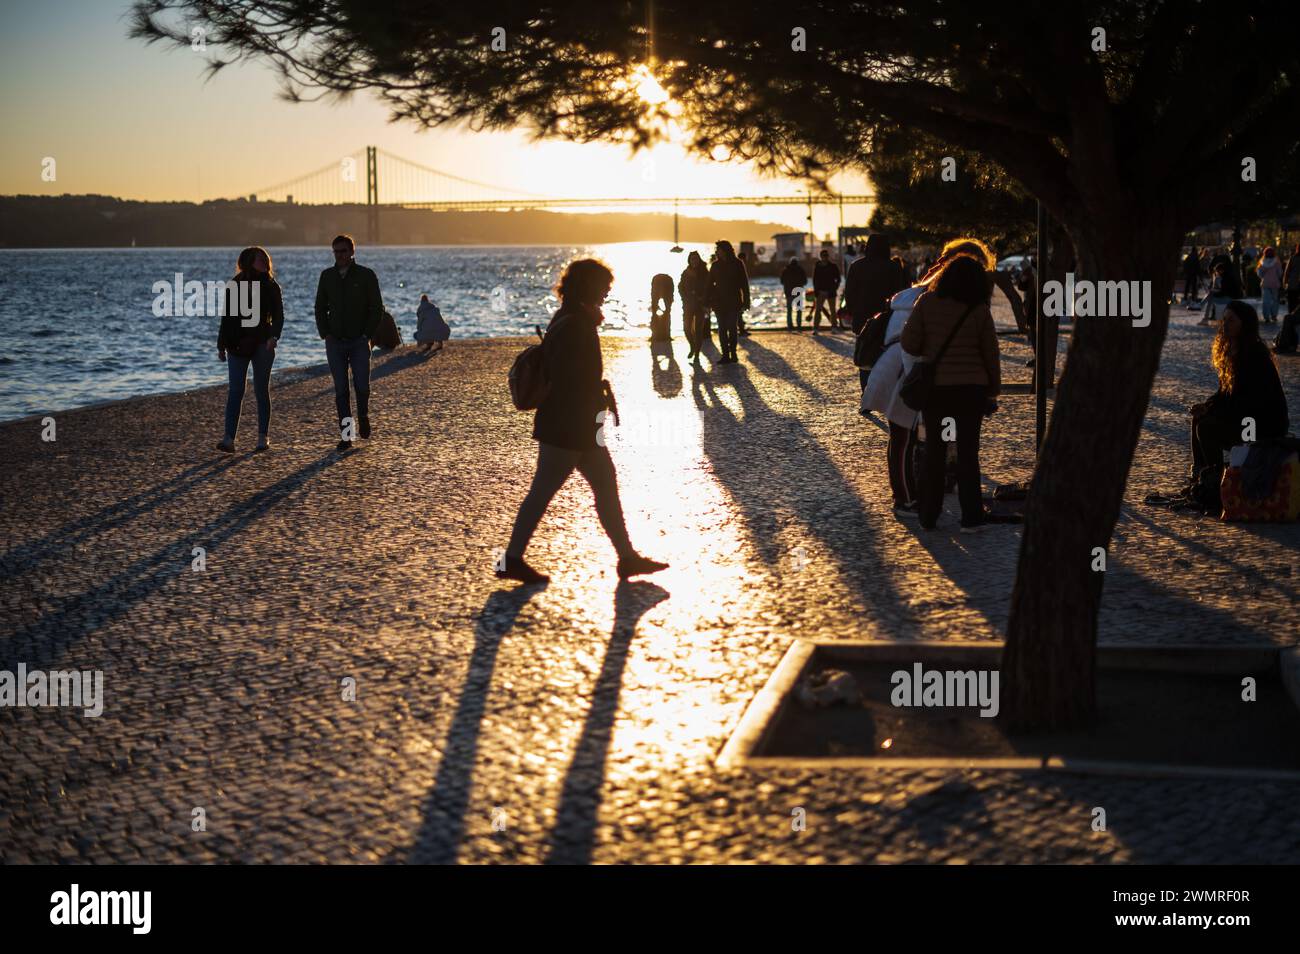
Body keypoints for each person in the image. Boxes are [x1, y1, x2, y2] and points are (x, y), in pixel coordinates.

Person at [496, 258, 669, 584]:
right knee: (545, 492)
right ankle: (511, 560)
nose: (607, 291)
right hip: (568, 427)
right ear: (589, 285)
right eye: (604, 285)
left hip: (575, 426)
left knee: (603, 487)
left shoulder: (572, 317)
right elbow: (570, 379)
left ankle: (627, 557)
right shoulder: (576, 323)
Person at [863, 239, 991, 514]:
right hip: (910, 369)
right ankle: (907, 499)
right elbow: (912, 341)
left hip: (906, 367)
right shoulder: (930, 295)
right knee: (906, 436)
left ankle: (918, 499)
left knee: (907, 436)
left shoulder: (921, 292)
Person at [900, 254, 1003, 533]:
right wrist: (992, 390)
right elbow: (990, 354)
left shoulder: (927, 303)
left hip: (938, 392)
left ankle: (928, 515)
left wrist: (930, 351)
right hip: (971, 392)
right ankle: (971, 518)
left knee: (936, 450)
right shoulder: (979, 310)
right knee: (968, 453)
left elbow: (909, 344)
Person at [1187, 299, 1289, 496]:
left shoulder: (1254, 354)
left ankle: (1217, 482)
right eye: (1224, 319)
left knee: (1207, 427)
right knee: (1199, 418)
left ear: (1244, 324)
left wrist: (1213, 410)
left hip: (1260, 426)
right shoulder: (1232, 350)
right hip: (1245, 417)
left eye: (1231, 320)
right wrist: (1207, 405)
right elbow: (1225, 392)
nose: (1224, 324)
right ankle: (1202, 474)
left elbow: (1248, 402)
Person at [315, 234, 384, 450]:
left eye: (343, 251)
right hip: (334, 342)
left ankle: (363, 414)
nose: (340, 255)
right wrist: (325, 332)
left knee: (362, 386)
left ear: (352, 251)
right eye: (336, 251)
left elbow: (377, 308)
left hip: (359, 341)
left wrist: (367, 334)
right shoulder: (327, 276)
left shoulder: (366, 275)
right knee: (341, 391)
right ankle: (347, 436)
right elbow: (319, 307)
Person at [216, 246, 284, 453]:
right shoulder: (235, 285)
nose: (264, 262)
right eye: (259, 259)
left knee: (261, 390)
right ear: (247, 262)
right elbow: (227, 318)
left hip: (264, 344)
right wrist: (221, 345)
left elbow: (279, 317)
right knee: (236, 391)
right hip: (237, 345)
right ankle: (229, 439)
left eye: (265, 259)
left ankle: (263, 437)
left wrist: (274, 336)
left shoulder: (272, 286)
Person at [844, 233, 909, 386]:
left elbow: (849, 293)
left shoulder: (857, 266)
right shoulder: (893, 267)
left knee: (866, 354)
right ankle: (882, 392)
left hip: (862, 317)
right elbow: (899, 292)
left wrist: (855, 312)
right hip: (887, 317)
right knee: (884, 354)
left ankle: (866, 394)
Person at [709, 240, 749, 364]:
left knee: (732, 327)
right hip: (719, 302)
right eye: (716, 249)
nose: (717, 251)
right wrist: (709, 301)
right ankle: (725, 354)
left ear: (725, 250)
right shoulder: (715, 265)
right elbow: (709, 284)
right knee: (722, 329)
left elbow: (744, 284)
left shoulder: (737, 263)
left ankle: (733, 353)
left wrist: (746, 301)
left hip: (734, 301)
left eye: (719, 249)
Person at [679, 251, 711, 362]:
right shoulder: (686, 272)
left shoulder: (705, 272)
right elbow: (680, 287)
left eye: (696, 259)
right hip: (688, 305)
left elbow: (709, 287)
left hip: (701, 306)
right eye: (692, 259)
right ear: (689, 260)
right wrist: (684, 298)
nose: (694, 261)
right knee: (686, 328)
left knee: (698, 330)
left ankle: (697, 354)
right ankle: (692, 346)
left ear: (699, 260)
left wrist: (704, 300)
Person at [1199, 258, 1242, 326]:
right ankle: (1203, 313)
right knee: (1211, 295)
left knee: (1211, 297)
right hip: (1228, 296)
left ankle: (1202, 311)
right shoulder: (1226, 276)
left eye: (1217, 271)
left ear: (1221, 270)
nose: (1217, 273)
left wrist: (1214, 293)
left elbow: (1223, 292)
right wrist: (1214, 292)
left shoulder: (1226, 278)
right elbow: (1222, 291)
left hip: (1229, 298)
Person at [811, 249, 842, 332]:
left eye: (826, 255)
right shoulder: (817, 266)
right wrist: (816, 290)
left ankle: (834, 327)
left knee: (833, 310)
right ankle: (816, 328)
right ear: (820, 256)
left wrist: (835, 288)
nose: (825, 257)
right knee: (818, 310)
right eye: (823, 255)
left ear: (828, 256)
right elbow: (814, 279)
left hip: (831, 292)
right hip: (820, 291)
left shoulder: (833, 266)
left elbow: (838, 279)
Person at [1256, 247, 1283, 324]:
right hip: (1275, 284)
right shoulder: (1277, 262)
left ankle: (1266, 317)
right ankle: (1274, 315)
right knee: (1275, 301)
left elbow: (1259, 274)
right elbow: (1280, 273)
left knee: (1266, 301)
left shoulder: (1262, 262)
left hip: (1265, 284)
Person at [780, 257, 807, 330]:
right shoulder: (800, 270)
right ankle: (799, 326)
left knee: (789, 310)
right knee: (799, 310)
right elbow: (805, 281)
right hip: (798, 291)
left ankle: (790, 326)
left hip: (788, 292)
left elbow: (782, 281)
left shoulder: (785, 270)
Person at [650, 273, 675, 341]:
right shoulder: (664, 280)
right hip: (663, 283)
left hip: (665, 284)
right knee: (662, 312)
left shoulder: (666, 280)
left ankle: (658, 335)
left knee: (663, 312)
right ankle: (661, 334)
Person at [1285, 244, 1300, 315]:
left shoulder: (1292, 258)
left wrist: (1284, 282)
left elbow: (1287, 272)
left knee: (1292, 303)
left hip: (1292, 284)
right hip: (1295, 284)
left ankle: (1292, 316)